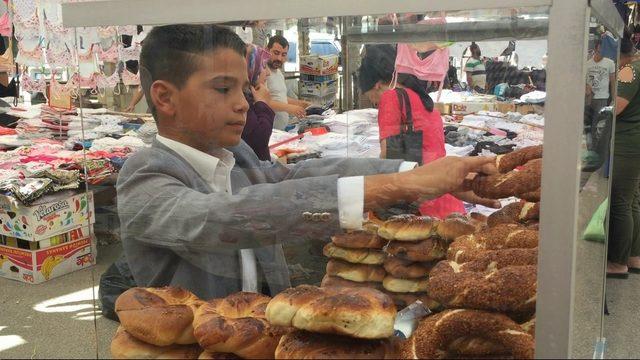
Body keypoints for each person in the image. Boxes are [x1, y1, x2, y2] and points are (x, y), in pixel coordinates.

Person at [112, 24, 499, 303]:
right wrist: (404, 187)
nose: (243, 103)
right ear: (164, 98)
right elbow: (228, 217)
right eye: (222, 89)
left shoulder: (237, 157)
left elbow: (295, 175)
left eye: (244, 89)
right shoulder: (144, 177)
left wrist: (414, 174)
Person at [358, 44, 468, 219]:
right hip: (445, 194)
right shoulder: (416, 95)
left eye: (368, 95)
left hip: (420, 204)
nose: (372, 101)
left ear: (377, 84)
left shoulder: (390, 97)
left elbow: (388, 158)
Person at [607, 35, 640, 278]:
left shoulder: (628, 70)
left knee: (620, 201)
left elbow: (616, 108)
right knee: (632, 201)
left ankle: (618, 263)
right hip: (635, 140)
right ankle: (633, 256)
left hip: (627, 142)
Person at [265, 35, 310, 130]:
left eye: (283, 54)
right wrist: (290, 108)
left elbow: (279, 97)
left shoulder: (278, 73)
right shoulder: (263, 72)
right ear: (267, 50)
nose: (279, 58)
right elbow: (263, 102)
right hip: (268, 130)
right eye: (276, 53)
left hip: (279, 130)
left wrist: (300, 104)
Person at [241, 44, 274, 161]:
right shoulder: (242, 102)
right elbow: (259, 138)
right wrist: (263, 103)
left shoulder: (250, 97)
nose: (268, 73)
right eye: (264, 66)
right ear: (252, 70)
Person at [585, 39, 616, 149]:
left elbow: (613, 82)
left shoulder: (610, 63)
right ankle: (589, 147)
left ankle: (597, 148)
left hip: (602, 98)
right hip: (588, 98)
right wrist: (586, 87)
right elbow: (582, 80)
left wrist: (613, 99)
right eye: (603, 47)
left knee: (598, 124)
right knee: (587, 124)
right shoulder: (587, 64)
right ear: (597, 47)